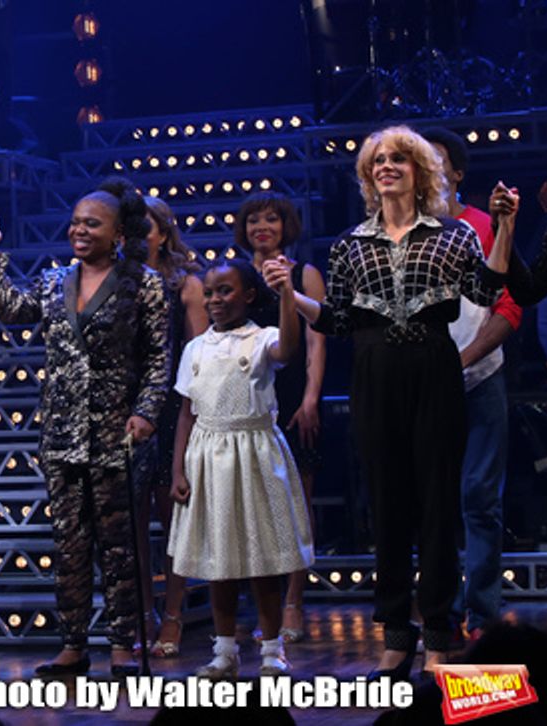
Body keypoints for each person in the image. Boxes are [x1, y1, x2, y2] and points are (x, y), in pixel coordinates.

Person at [288, 125, 509, 680]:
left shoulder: (454, 235)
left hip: (434, 370)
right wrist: (288, 296)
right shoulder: (349, 245)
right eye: (378, 161)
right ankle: (394, 635)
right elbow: (337, 319)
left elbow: (486, 291)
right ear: (368, 176)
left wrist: (504, 226)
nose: (387, 166)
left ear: (419, 171)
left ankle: (439, 632)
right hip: (375, 373)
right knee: (388, 507)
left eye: (398, 160)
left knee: (437, 505)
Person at [0, 178, 169, 677]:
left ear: (116, 233)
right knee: (69, 544)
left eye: (92, 223)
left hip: (117, 434)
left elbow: (158, 357)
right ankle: (73, 644)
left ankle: (122, 646)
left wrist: (147, 411)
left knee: (118, 547)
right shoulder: (52, 280)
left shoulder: (146, 284)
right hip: (63, 435)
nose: (79, 230)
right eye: (75, 222)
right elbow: (12, 310)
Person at [169, 258, 314, 677]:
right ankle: (225, 650)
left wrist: (287, 292)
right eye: (210, 292)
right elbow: (186, 413)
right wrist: (178, 470)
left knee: (261, 560)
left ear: (249, 296)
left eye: (225, 291)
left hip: (253, 455)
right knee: (219, 563)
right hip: (209, 459)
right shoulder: (195, 348)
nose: (215, 299)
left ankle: (272, 650)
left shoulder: (262, 338)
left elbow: (288, 348)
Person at [423, 128, 522, 642]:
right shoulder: (404, 232)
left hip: (481, 379)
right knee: (433, 501)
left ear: (458, 173)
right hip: (424, 389)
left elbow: (507, 306)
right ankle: (440, 611)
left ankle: (482, 614)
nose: (430, 172)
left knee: (479, 497)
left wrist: (462, 359)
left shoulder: (484, 226)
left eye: (439, 163)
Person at [234, 191, 326, 645]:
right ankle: (260, 605)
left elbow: (317, 341)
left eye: (271, 218)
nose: (262, 226)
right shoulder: (236, 274)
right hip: (247, 396)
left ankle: (294, 600)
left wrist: (310, 397)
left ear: (287, 225)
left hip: (290, 396)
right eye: (253, 219)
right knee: (253, 506)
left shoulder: (305, 272)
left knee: (295, 504)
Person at [134, 197, 206, 659]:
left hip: (171, 408)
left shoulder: (185, 284)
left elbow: (199, 356)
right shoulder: (115, 281)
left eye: (147, 228)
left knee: (171, 519)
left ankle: (175, 613)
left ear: (163, 232)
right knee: (130, 523)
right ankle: (142, 614)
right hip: (124, 407)